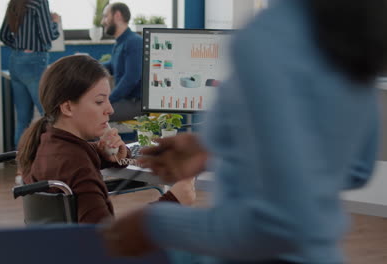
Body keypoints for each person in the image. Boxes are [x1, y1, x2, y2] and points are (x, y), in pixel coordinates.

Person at [101, 0, 387, 263]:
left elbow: (281, 225)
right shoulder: (353, 22)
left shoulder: (270, 36)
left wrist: (154, 223)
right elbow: (355, 166)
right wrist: (215, 148)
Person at [17, 55, 195, 223]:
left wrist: (111, 154)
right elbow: (106, 243)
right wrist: (173, 201)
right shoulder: (76, 166)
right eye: (99, 101)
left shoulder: (46, 141)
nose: (110, 109)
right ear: (68, 108)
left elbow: (86, 154)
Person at [0, 0, 60, 147]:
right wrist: (55, 22)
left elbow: (3, 35)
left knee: (22, 120)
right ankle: (58, 159)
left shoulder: (15, 2)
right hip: (35, 62)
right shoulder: (40, 2)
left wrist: (21, 47)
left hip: (15, 60)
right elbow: (47, 36)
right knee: (51, 115)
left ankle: (21, 166)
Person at [101, 2, 143, 121]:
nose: (103, 21)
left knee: (94, 115)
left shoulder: (134, 42)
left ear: (117, 15)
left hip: (135, 103)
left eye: (105, 16)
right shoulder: (121, 42)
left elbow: (131, 79)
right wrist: (87, 63)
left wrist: (107, 100)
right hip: (125, 100)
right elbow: (112, 65)